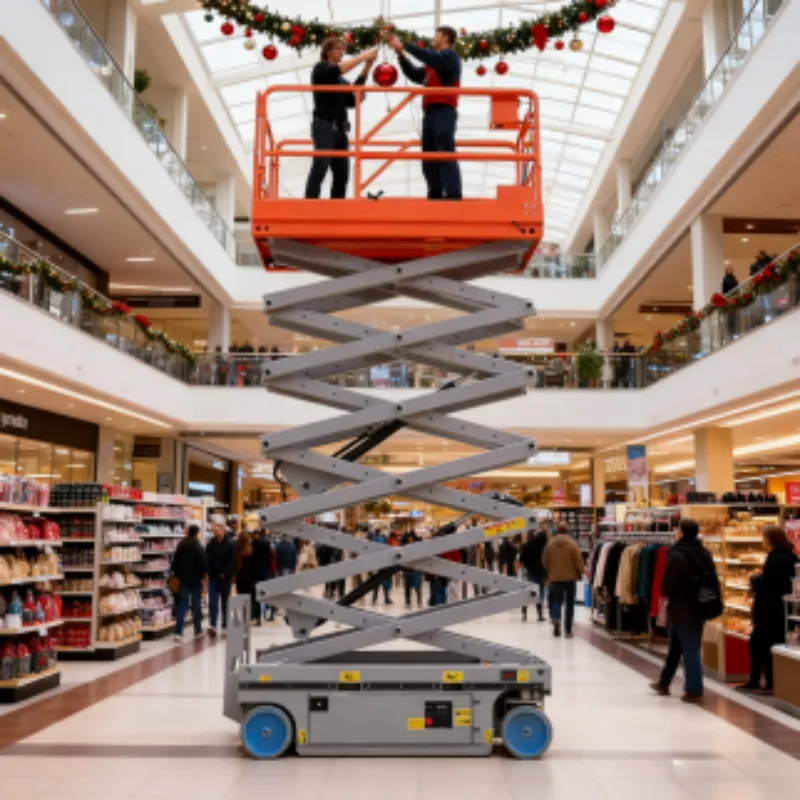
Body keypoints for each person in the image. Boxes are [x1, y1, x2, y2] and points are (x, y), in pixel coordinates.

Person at [389, 27, 462, 200]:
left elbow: (432, 58)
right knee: (428, 154)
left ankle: (452, 193)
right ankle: (435, 192)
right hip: (430, 111)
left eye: (436, 35)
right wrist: (401, 55)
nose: (433, 39)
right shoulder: (432, 65)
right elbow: (415, 74)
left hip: (444, 109)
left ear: (445, 37)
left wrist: (406, 46)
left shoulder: (449, 57)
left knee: (443, 149)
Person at [650, 518, 718, 703]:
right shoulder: (704, 552)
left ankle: (694, 689)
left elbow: (668, 584)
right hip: (701, 605)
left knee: (689, 648)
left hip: (682, 607)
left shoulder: (677, 554)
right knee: (677, 646)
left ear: (680, 532)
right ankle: (664, 682)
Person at [305, 39, 378, 199]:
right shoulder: (321, 68)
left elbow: (351, 100)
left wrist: (367, 66)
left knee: (342, 172)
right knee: (321, 164)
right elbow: (336, 70)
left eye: (343, 49)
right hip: (324, 123)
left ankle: (336, 206)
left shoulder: (340, 80)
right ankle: (310, 202)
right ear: (328, 51)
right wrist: (362, 56)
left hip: (340, 128)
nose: (342, 52)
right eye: (338, 49)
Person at [738, 526, 798, 693]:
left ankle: (766, 681)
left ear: (771, 539)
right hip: (775, 609)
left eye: (764, 538)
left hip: (771, 609)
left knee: (762, 644)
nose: (762, 541)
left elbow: (769, 581)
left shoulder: (779, 558)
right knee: (760, 644)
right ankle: (758, 680)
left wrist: (754, 579)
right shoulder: (785, 556)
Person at [542, 522, 584, 638]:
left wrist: (551, 571)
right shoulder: (572, 544)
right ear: (567, 531)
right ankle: (568, 629)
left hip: (554, 578)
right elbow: (578, 561)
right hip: (570, 578)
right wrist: (580, 572)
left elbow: (544, 561)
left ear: (557, 531)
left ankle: (556, 622)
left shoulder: (549, 545)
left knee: (556, 601)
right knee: (569, 603)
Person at [171, 524, 207, 642]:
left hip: (183, 580)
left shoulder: (181, 545)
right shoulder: (198, 547)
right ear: (197, 533)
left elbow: (175, 562)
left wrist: (178, 575)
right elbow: (203, 564)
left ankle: (178, 632)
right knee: (196, 605)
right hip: (196, 580)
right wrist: (203, 576)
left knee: (182, 605)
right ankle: (197, 629)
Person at [206, 523, 234, 636]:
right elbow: (207, 558)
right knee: (213, 602)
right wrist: (207, 573)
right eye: (214, 530)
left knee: (225, 602)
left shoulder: (230, 544)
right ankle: (212, 625)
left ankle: (225, 625)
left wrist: (226, 574)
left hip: (224, 578)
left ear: (222, 530)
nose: (215, 532)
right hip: (213, 577)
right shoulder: (211, 543)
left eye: (217, 530)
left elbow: (232, 561)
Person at [520, 523, 549, 622]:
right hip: (540, 572)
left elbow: (521, 560)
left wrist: (526, 566)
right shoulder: (541, 547)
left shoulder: (525, 546)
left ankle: (524, 613)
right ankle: (540, 614)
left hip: (528, 572)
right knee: (540, 593)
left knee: (527, 593)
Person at [234, 530, 259, 623]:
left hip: (240, 578)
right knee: (251, 598)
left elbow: (235, 565)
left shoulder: (237, 550)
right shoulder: (252, 551)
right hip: (250, 578)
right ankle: (251, 616)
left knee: (241, 597)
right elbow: (255, 566)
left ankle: (244, 616)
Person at [252, 529, 274, 622]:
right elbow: (270, 559)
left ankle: (258, 615)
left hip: (255, 571)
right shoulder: (267, 544)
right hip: (265, 571)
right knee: (265, 592)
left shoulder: (253, 545)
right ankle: (266, 611)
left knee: (257, 593)